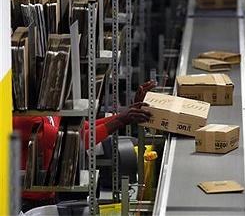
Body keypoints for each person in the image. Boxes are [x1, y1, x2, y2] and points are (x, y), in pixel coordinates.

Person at [14, 81, 156, 212]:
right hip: (26, 203)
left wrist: (127, 113)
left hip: (48, 196)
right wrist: (121, 120)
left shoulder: (47, 110)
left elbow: (83, 128)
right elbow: (76, 141)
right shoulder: (26, 120)